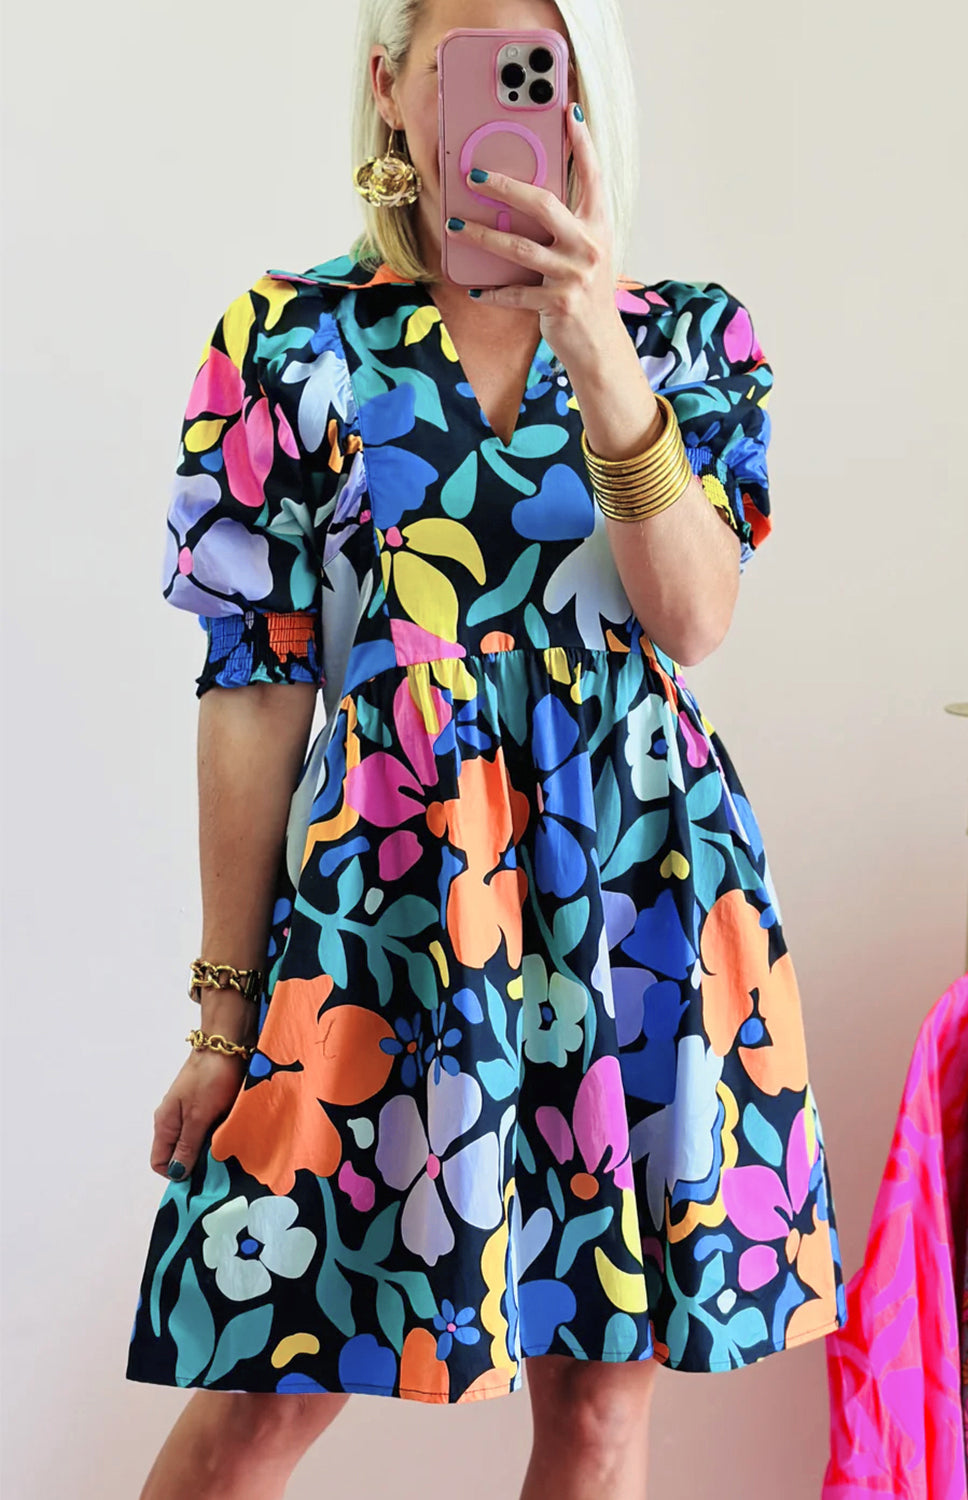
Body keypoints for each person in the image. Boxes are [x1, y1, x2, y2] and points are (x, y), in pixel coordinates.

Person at [125, 0, 848, 1495]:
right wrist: (222, 1013)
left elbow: (693, 616)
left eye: (541, 65)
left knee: (597, 1416)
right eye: (467, 63)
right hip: (385, 916)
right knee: (262, 1393)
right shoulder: (289, 338)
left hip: (635, 904)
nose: (504, 100)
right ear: (389, 88)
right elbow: (254, 687)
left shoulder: (686, 336)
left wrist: (598, 345)